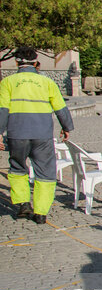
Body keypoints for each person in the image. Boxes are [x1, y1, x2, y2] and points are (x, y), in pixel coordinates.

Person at [0, 48, 74, 224]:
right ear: (36, 63)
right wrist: (66, 127)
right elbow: (60, 108)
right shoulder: (47, 82)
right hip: (42, 135)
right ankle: (41, 212)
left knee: (17, 168)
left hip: (17, 134)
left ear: (17, 63)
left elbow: (2, 110)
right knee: (45, 172)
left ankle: (23, 203)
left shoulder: (7, 82)